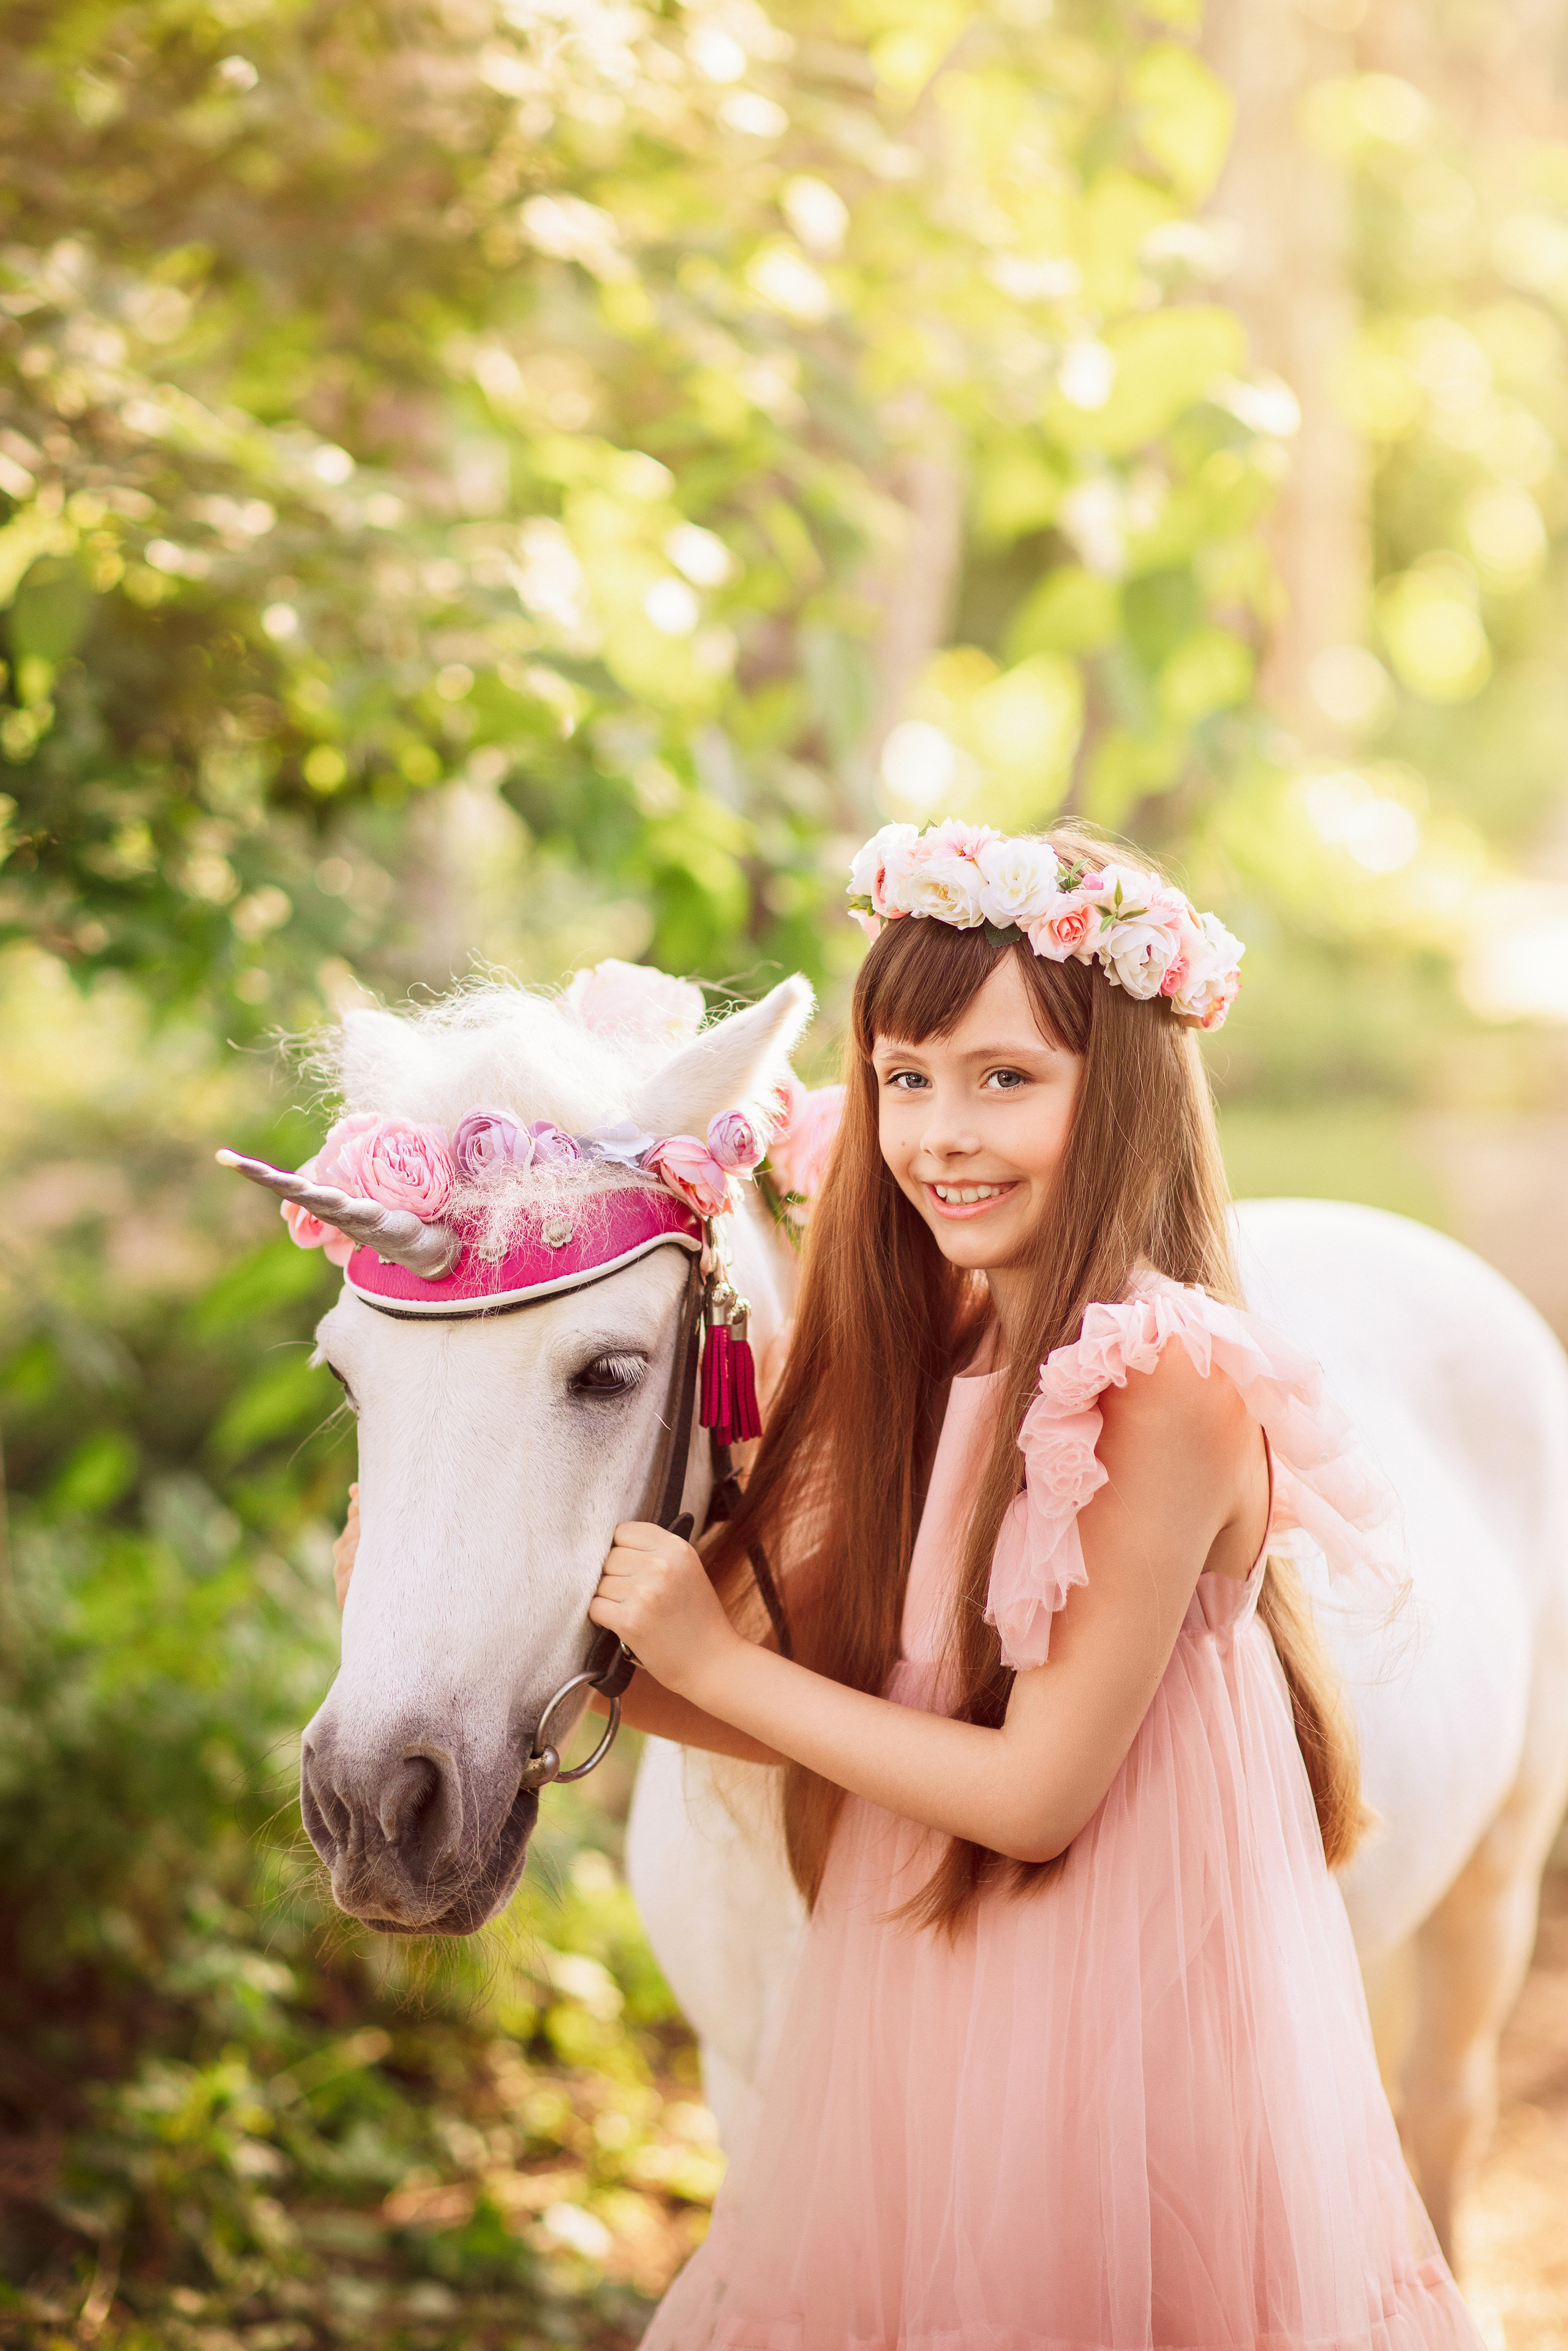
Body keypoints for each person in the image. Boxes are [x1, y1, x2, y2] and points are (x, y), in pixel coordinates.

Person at [337, 821, 1483, 2347]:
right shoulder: (931, 1354)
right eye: (904, 1077)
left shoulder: (1160, 1384)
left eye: (1004, 1077)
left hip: (1099, 2028)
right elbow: (879, 1730)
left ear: (1121, 1093)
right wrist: (589, 1661)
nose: (942, 1130)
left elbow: (1030, 1795)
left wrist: (720, 1661)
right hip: (931, 2005)